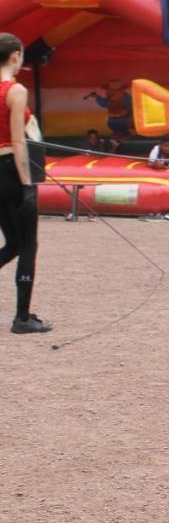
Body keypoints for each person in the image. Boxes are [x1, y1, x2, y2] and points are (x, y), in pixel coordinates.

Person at [0, 33, 50, 333]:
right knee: (28, 246)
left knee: (13, 243)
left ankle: (24, 315)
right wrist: (28, 184)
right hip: (9, 168)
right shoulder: (15, 90)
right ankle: (22, 317)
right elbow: (18, 142)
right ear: (16, 55)